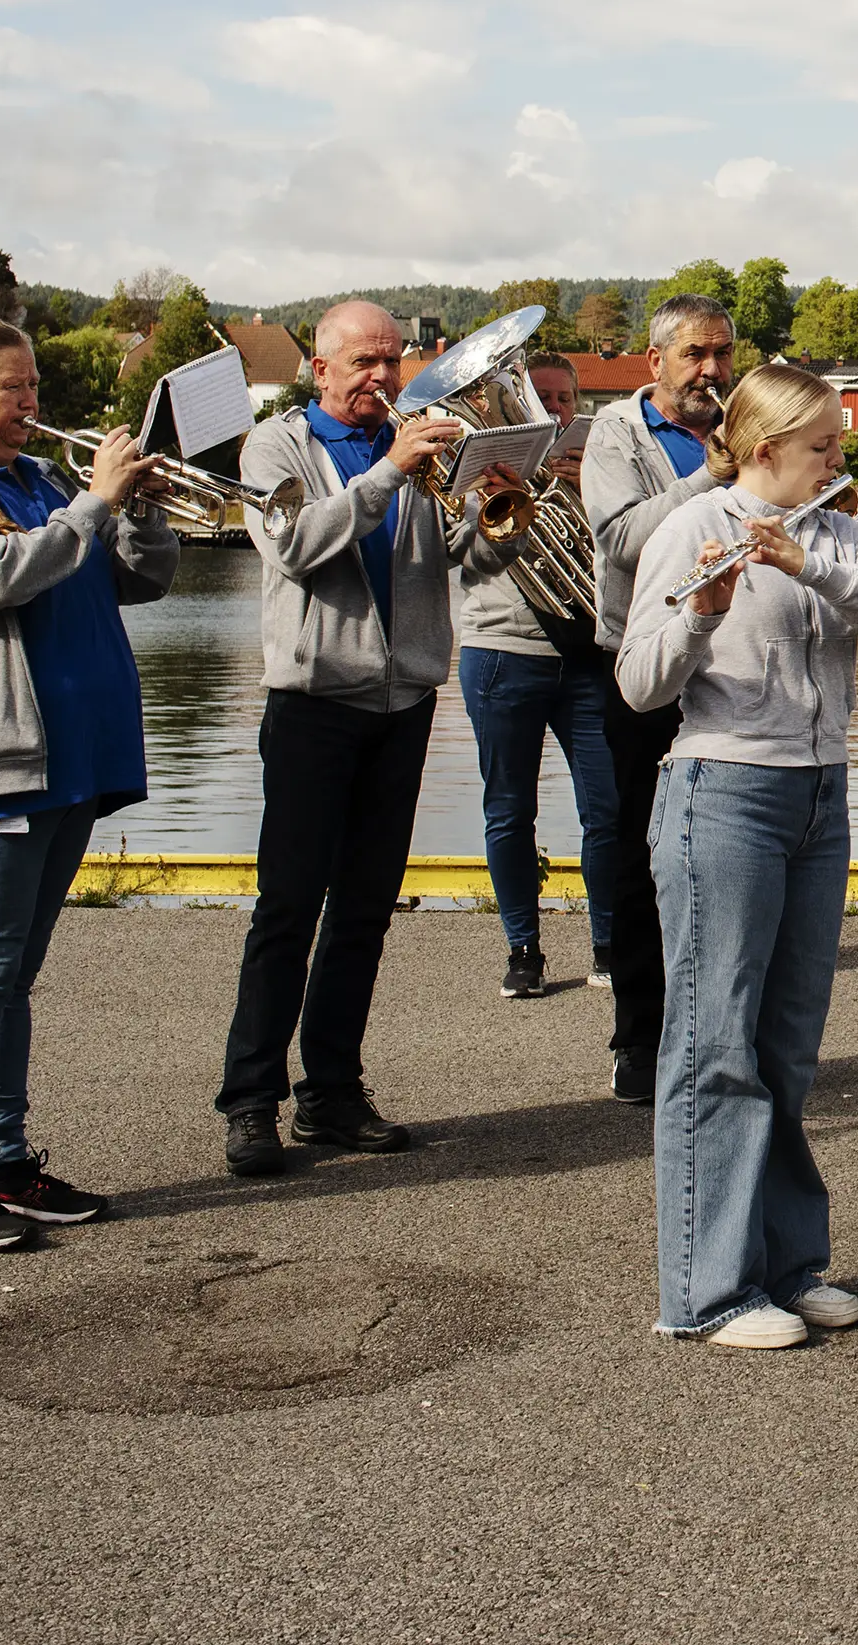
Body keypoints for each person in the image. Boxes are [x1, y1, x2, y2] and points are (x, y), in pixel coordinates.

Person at [619, 361, 858, 1347]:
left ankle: (789, 1265)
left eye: (840, 444)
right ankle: (705, 1293)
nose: (840, 459)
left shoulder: (837, 533)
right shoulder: (690, 529)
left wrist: (808, 561)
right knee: (714, 1047)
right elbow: (636, 684)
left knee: (787, 1048)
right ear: (764, 450)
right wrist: (700, 618)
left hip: (819, 795)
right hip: (725, 789)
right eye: (823, 446)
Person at [0, 323, 177, 1251]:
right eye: (13, 389)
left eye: (34, 386)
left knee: (15, 977)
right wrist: (92, 505)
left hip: (71, 759)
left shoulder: (41, 483)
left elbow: (138, 580)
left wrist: (138, 510)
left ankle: (2, 1160)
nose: (31, 407)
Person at [216, 301, 466, 1178]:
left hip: (404, 701)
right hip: (315, 700)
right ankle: (250, 1099)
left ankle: (331, 1091)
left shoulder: (421, 445)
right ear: (317, 369)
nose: (383, 378)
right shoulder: (275, 448)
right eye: (364, 362)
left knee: (364, 908)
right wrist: (390, 474)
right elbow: (292, 544)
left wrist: (491, 506)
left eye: (392, 360)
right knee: (287, 908)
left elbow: (464, 556)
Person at [583, 295, 738, 1101]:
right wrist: (710, 475)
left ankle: (720, 1033)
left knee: (724, 859)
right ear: (656, 362)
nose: (711, 370)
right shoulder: (616, 434)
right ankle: (640, 1038)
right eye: (694, 355)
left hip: (733, 670)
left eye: (720, 353)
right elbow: (618, 539)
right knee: (642, 853)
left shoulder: (746, 418)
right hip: (643, 661)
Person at [454, 353, 619, 1001]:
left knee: (606, 808)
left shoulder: (601, 462)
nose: (551, 410)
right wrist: (504, 503)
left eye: (561, 399)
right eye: (537, 396)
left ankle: (608, 943)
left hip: (586, 650)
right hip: (501, 649)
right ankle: (523, 949)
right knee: (508, 809)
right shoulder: (473, 465)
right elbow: (456, 553)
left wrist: (591, 496)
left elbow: (634, 555)